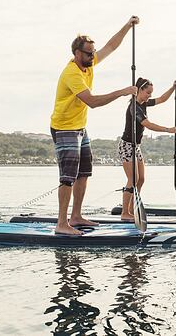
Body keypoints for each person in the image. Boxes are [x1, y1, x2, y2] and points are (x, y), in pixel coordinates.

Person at [50, 16, 140, 235]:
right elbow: (92, 102)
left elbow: (111, 46)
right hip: (64, 128)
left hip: (80, 127)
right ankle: (62, 224)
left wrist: (127, 25)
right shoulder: (72, 73)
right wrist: (121, 92)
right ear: (77, 53)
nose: (93, 56)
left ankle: (76, 216)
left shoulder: (88, 63)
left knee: (84, 173)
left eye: (93, 52)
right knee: (68, 177)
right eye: (88, 53)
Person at [118, 77, 176, 221]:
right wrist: (168, 130)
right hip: (126, 146)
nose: (150, 96)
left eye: (151, 93)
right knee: (133, 179)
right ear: (139, 90)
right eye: (148, 93)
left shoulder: (144, 103)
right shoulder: (134, 106)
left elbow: (162, 99)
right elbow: (148, 124)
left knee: (141, 179)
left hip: (136, 146)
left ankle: (133, 209)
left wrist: (173, 87)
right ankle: (124, 213)